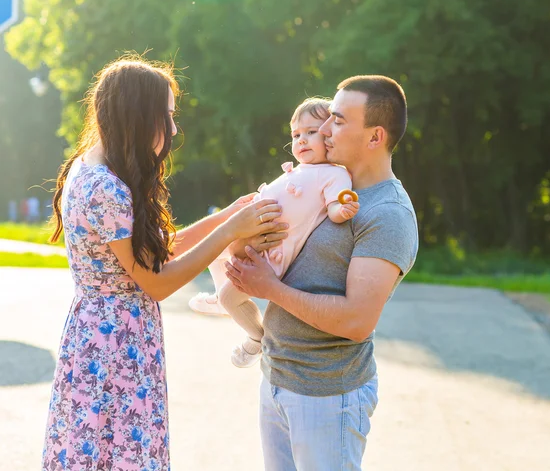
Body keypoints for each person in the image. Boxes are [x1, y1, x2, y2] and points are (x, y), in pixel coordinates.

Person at [41, 56, 287, 471]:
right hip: (115, 346)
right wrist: (228, 233)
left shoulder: (89, 169)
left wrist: (227, 214)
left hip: (100, 335)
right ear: (137, 114)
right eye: (167, 116)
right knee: (121, 455)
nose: (173, 129)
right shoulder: (107, 189)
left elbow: (154, 252)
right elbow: (156, 282)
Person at [225, 75, 419, 470]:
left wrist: (269, 287)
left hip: (328, 397)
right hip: (277, 379)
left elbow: (355, 320)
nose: (325, 129)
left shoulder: (387, 214)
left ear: (375, 137)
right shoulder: (323, 185)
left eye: (339, 120)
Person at [189, 98, 359, 367]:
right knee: (212, 246)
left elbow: (336, 205)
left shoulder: (333, 174)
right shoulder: (300, 170)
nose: (302, 140)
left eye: (311, 132)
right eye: (296, 135)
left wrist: (343, 210)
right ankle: (221, 293)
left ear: (329, 135)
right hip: (254, 236)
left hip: (272, 253)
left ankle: (256, 338)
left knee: (230, 296)